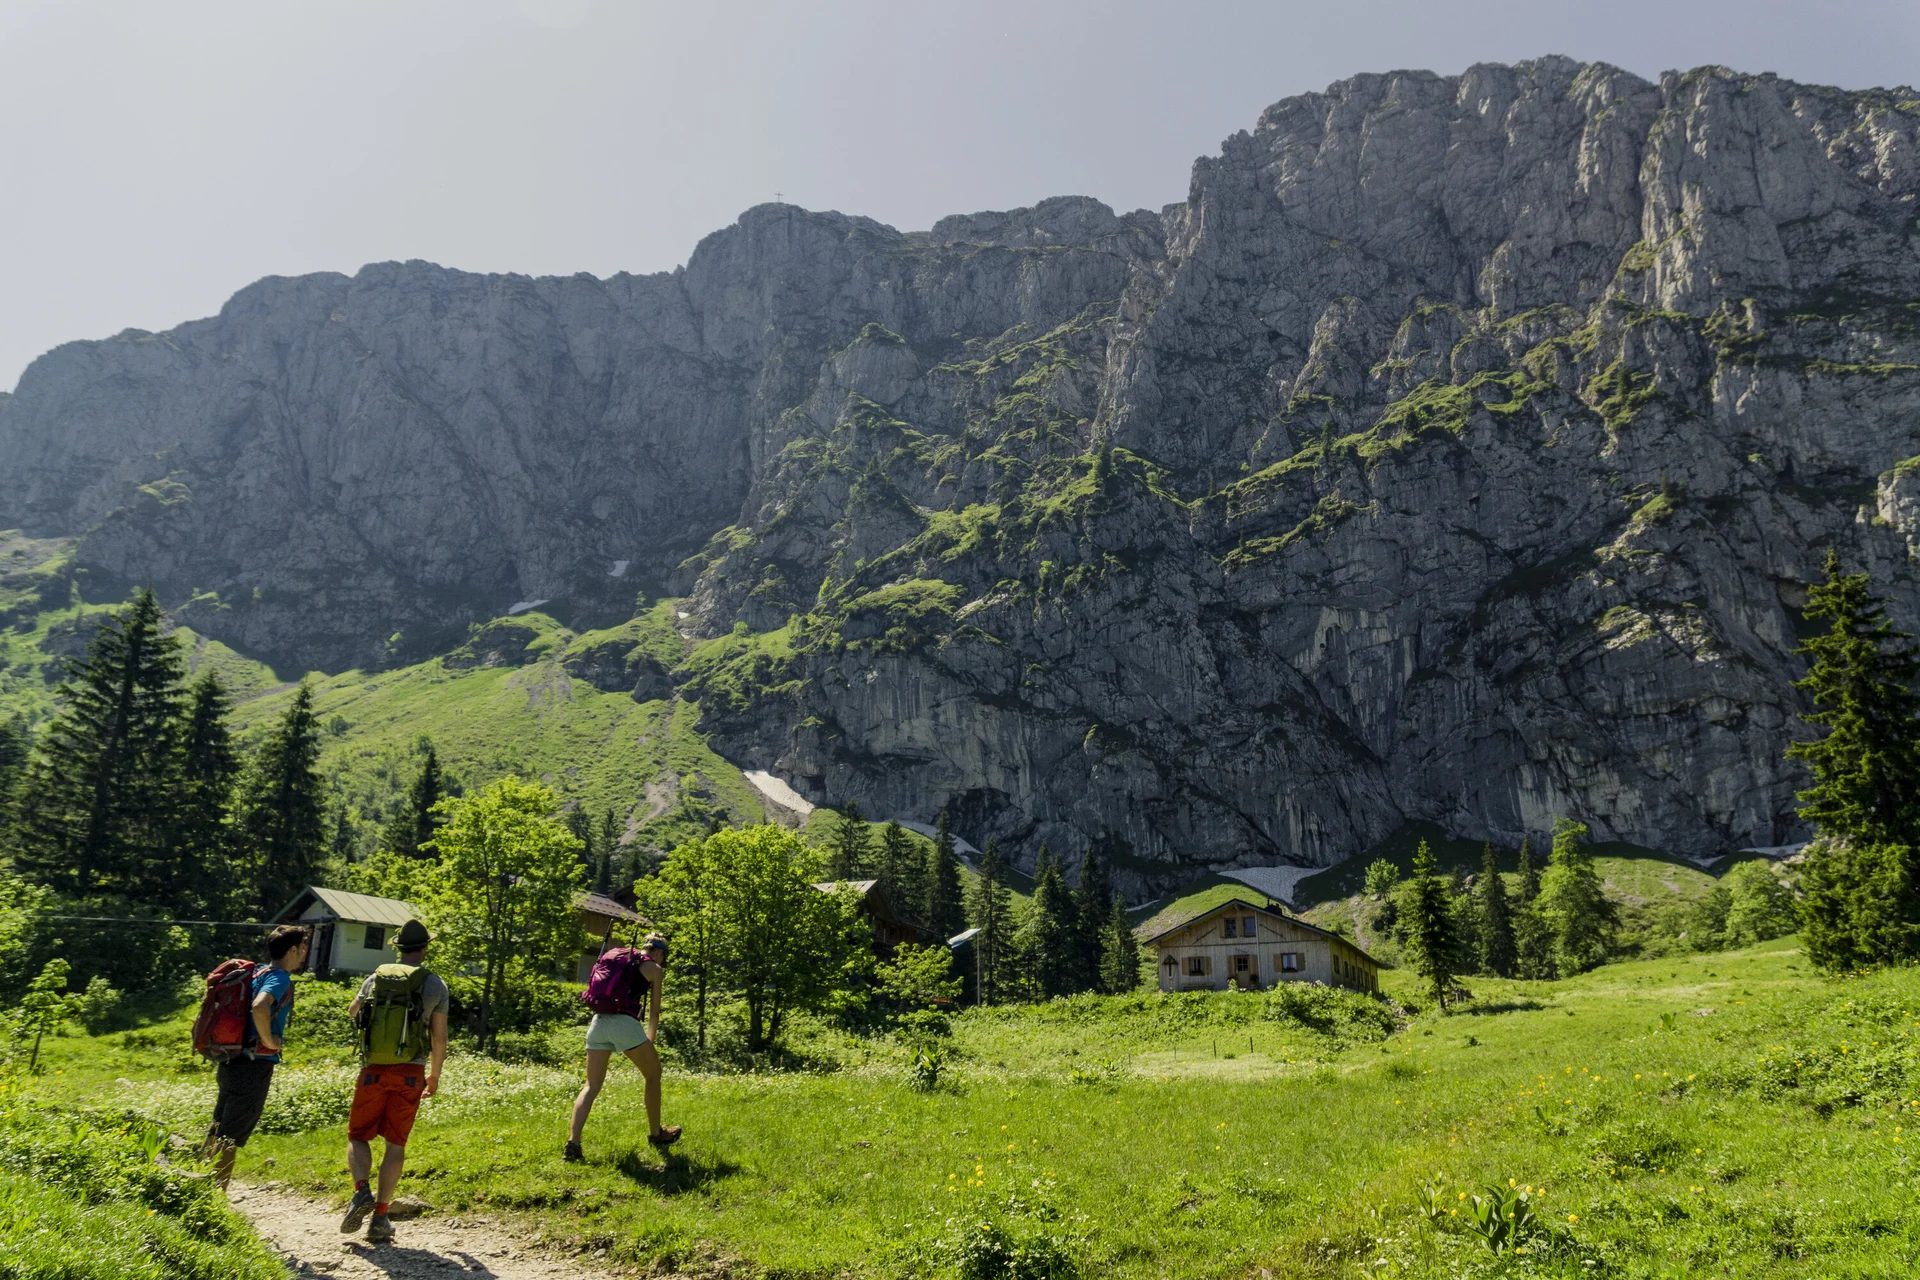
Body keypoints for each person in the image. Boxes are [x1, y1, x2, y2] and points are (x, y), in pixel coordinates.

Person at [338, 918, 447, 1245]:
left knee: (358, 1136)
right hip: (411, 1074)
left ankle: (361, 1191)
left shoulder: (376, 977)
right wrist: (434, 1075)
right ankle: (380, 1218)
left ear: (398, 949)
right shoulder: (435, 984)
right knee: (395, 1144)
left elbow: (352, 1011)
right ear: (425, 948)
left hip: (373, 1070)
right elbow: (439, 1038)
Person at [203, 924, 310, 1187]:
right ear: (293, 949)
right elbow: (260, 1006)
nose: (305, 953)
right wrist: (269, 1040)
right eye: (303, 948)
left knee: (218, 1127)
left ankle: (196, 1187)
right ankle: (215, 1198)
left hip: (230, 1059)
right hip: (253, 1065)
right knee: (230, 1136)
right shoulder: (279, 977)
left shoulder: (256, 973)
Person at [565, 932, 680, 1161]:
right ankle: (656, 1134)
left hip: (598, 1022)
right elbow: (655, 1010)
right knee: (653, 1074)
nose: (661, 962)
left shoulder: (618, 956)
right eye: (663, 958)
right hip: (625, 1024)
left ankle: (573, 1145)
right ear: (659, 953)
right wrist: (650, 1038)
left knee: (591, 1086)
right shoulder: (654, 969)